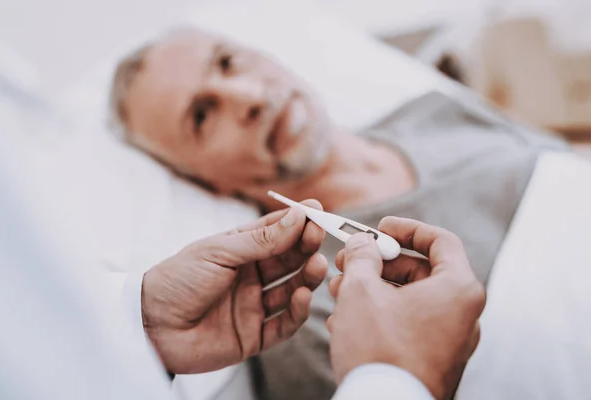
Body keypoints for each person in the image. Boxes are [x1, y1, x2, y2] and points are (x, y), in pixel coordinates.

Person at [108, 27, 567, 399]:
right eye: (202, 116)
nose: (247, 96)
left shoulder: (430, 112)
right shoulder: (308, 305)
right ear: (202, 182)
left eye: (228, 61)